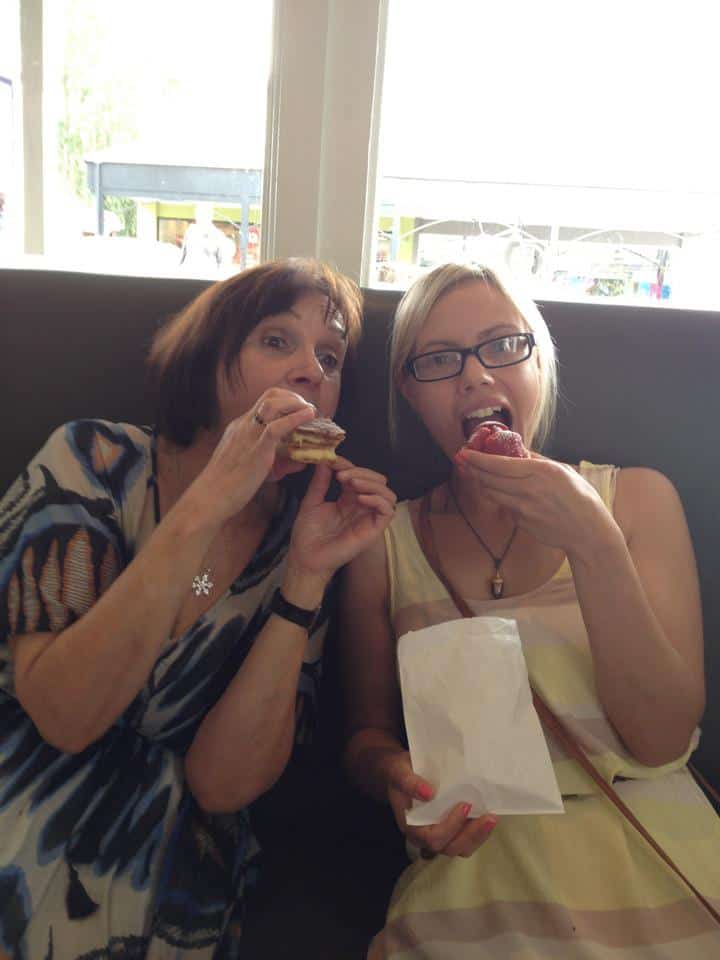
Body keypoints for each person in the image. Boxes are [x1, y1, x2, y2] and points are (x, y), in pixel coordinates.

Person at [0, 258, 396, 959]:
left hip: (167, 880)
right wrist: (212, 501)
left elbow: (222, 786)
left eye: (330, 357)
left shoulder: (304, 538)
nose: (311, 370)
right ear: (210, 360)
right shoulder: (91, 460)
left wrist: (305, 579)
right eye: (277, 340)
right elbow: (66, 715)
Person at [340, 263, 720, 957]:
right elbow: (365, 737)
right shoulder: (382, 541)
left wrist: (592, 540)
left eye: (503, 345)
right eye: (440, 359)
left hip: (654, 854)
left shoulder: (637, 500)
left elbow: (663, 739)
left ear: (540, 361)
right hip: (473, 874)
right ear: (409, 391)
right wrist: (393, 775)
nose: (476, 375)